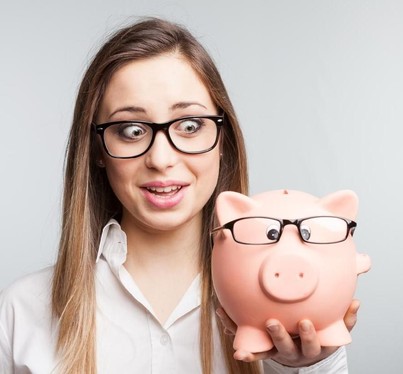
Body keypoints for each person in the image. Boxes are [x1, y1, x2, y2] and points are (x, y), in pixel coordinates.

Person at [0, 18, 359, 374]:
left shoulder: (290, 315)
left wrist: (310, 367)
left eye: (189, 126)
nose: (161, 159)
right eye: (131, 130)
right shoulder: (21, 310)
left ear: (223, 140)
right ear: (97, 148)